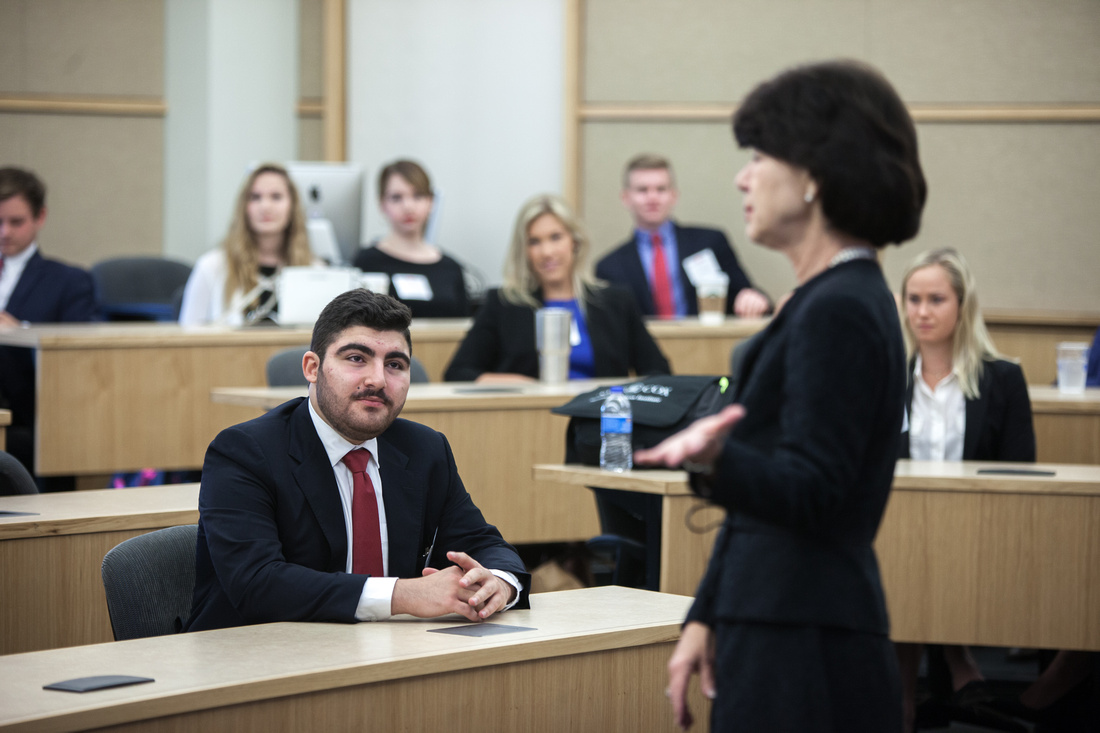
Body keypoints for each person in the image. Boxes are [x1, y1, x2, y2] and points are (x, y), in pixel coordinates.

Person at [635, 60, 927, 732]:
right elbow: (766, 507)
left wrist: (713, 458)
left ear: (814, 177)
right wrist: (707, 612)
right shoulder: (829, 299)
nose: (744, 176)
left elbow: (813, 490)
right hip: (774, 619)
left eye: (760, 156)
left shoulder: (842, 308)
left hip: (805, 642)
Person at [185, 289, 530, 631]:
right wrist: (403, 594)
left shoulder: (425, 449)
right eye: (356, 359)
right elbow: (257, 584)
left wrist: (498, 584)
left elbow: (484, 545)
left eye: (395, 365)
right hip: (255, 658)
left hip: (384, 655)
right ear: (312, 368)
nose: (378, 380)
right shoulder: (245, 451)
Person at [894, 247, 1036, 731]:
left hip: (979, 532)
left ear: (962, 305)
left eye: (936, 299)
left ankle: (910, 684)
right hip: (900, 531)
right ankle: (945, 670)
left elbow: (1020, 473)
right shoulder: (890, 378)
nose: (922, 312)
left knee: (922, 559)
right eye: (913, 299)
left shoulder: (1002, 379)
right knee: (905, 552)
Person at [443, 194, 670, 383]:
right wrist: (524, 386)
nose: (547, 252)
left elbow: (659, 372)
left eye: (555, 237)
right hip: (531, 422)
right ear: (525, 252)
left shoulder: (616, 301)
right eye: (535, 242)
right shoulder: (504, 304)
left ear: (575, 242)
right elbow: (458, 373)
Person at [0, 166, 98, 484]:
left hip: (31, 418)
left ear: (40, 217)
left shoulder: (68, 281)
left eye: (16, 222)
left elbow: (79, 360)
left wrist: (22, 332)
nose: (4, 232)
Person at [595, 154, 770, 319]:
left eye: (661, 189)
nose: (652, 197)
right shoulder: (610, 267)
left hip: (706, 347)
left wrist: (754, 299)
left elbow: (747, 294)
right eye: (642, 190)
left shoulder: (709, 243)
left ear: (674, 196)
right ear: (626, 198)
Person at [178, 163, 314, 326]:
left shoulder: (314, 270)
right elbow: (187, 335)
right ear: (244, 207)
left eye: (276, 197)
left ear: (292, 207)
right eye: (255, 197)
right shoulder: (211, 267)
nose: (265, 206)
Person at [353, 160, 470, 319]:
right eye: (396, 197)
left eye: (418, 195)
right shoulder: (367, 262)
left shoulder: (451, 268)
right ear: (382, 204)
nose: (408, 206)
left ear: (431, 202)